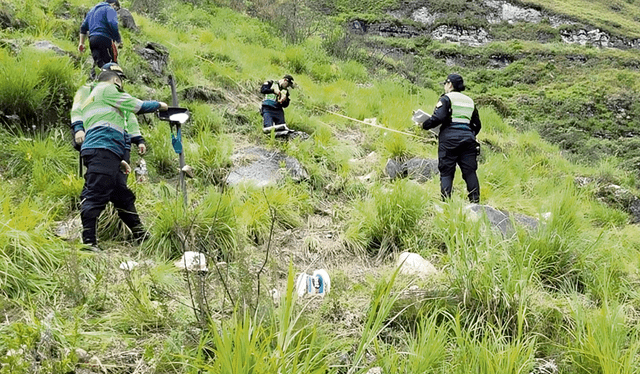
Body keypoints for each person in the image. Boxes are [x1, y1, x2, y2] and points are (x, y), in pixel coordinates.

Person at [70, 67, 168, 251]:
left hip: (103, 150)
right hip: (103, 147)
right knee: (95, 194)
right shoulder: (107, 89)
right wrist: (160, 105)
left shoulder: (91, 97)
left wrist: (117, 161)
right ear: (116, 81)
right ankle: (88, 243)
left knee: (121, 195)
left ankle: (140, 234)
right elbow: (137, 106)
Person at [417, 73, 482, 203]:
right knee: (470, 172)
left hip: (449, 141)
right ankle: (475, 203)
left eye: (445, 83)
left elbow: (438, 118)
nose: (445, 86)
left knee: (447, 172)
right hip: (468, 141)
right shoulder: (470, 101)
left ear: (450, 84)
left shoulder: (446, 99)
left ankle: (446, 203)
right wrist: (469, 134)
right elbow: (477, 125)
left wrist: (424, 125)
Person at [78, 0, 122, 78]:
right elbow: (113, 23)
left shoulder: (92, 11)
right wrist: (118, 40)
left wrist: (81, 43)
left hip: (92, 40)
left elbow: (83, 28)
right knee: (110, 65)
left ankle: (94, 81)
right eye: (117, 9)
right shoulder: (109, 9)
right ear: (114, 4)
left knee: (99, 64)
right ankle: (111, 84)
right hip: (104, 39)